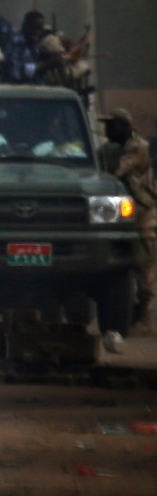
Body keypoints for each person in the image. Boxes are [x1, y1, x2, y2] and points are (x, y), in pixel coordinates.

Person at [101, 108, 157, 337]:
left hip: (145, 214)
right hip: (128, 213)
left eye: (111, 125)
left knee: (145, 265)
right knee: (129, 264)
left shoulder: (137, 147)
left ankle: (144, 317)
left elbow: (116, 172)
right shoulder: (120, 147)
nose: (106, 129)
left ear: (123, 126)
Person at [5, 10, 47, 84]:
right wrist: (44, 64)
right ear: (25, 25)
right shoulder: (16, 43)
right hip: (19, 92)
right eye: (34, 28)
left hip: (38, 91)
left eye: (40, 29)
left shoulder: (36, 45)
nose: (37, 32)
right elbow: (15, 74)